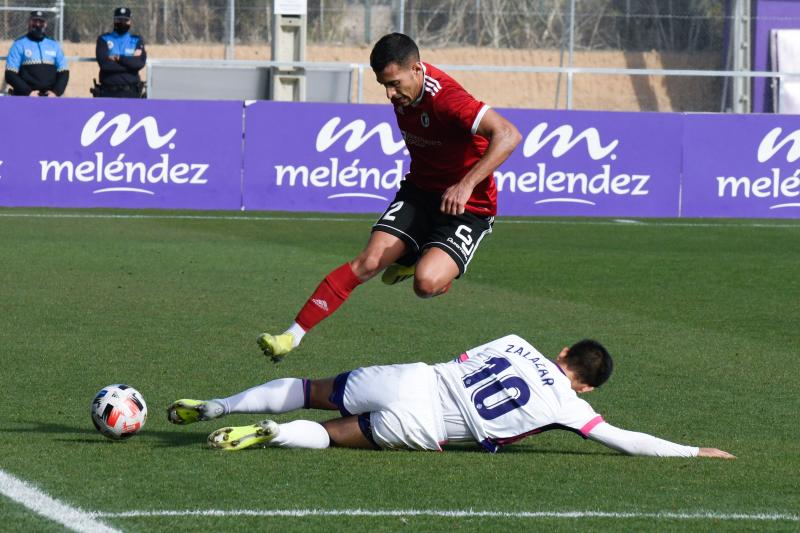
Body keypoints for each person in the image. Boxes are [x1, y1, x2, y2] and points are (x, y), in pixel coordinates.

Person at [256, 33, 522, 362]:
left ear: (417, 69)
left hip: (468, 206)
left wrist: (466, 184)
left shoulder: (448, 99)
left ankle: (422, 262)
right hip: (421, 192)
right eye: (383, 85)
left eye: (395, 83)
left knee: (426, 283)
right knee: (367, 262)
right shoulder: (403, 95)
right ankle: (291, 336)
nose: (390, 94)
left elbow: (509, 134)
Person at [167, 334, 735, 459]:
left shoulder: (517, 341)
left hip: (420, 378)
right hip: (430, 426)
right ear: (584, 383)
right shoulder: (573, 407)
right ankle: (272, 438)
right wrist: (694, 452)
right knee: (340, 436)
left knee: (311, 390)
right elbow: (625, 441)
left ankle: (221, 405)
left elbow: (467, 362)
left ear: (562, 351)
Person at [4, 10, 69, 97]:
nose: (37, 24)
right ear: (28, 23)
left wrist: (55, 92)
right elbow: (10, 74)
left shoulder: (54, 45)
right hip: (26, 97)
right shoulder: (18, 44)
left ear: (45, 24)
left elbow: (64, 72)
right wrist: (28, 92)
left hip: (50, 98)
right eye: (34, 21)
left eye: (41, 22)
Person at [92, 7, 146, 98]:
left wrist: (119, 58)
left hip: (131, 93)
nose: (122, 23)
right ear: (114, 20)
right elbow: (105, 65)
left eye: (126, 20)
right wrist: (130, 64)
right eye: (119, 20)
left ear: (130, 22)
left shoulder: (136, 40)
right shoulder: (103, 39)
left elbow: (139, 63)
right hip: (108, 92)